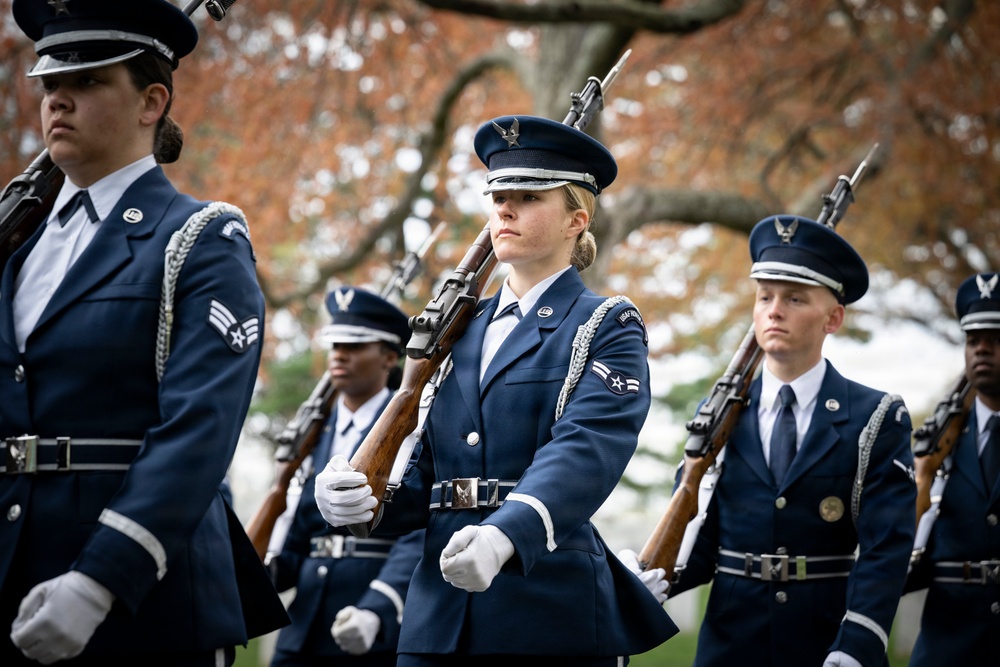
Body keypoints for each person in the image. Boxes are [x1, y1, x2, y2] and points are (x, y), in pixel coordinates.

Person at [314, 115, 678, 665]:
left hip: (547, 607)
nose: (503, 209)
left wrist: (506, 534)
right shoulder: (454, 332)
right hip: (438, 616)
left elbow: (586, 448)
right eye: (497, 195)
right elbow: (428, 474)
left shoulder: (605, 323)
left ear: (575, 220)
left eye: (528, 197)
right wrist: (361, 501)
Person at [0, 1, 287, 664]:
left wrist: (103, 577)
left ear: (151, 101)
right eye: (50, 85)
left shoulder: (199, 239)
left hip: (141, 600)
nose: (58, 101)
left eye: (90, 81)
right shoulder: (19, 251)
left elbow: (198, 429)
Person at [655, 216, 916, 667]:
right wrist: (652, 578)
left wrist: (858, 641)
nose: (774, 310)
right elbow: (702, 536)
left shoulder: (877, 417)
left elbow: (885, 548)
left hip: (826, 640)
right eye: (765, 297)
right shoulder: (721, 416)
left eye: (795, 298)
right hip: (731, 644)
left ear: (833, 318)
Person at [267, 286, 425, 667]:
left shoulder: (409, 427)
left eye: (355, 346)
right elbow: (299, 529)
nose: (339, 354)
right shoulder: (312, 435)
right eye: (335, 344)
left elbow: (417, 530)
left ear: (390, 357)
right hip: (303, 625)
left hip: (370, 626)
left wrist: (379, 607)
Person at [905, 272, 1000, 666]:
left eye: (995, 341)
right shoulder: (937, 445)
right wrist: (922, 477)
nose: (981, 350)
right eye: (973, 341)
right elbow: (900, 552)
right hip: (948, 644)